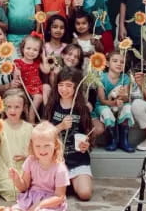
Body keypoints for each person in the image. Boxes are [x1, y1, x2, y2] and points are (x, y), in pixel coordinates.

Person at [44, 68, 93, 201]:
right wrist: (61, 126)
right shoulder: (51, 106)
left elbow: (87, 134)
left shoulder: (82, 109)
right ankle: (66, 183)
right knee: (52, 194)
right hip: (56, 161)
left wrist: (86, 144)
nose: (64, 89)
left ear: (77, 87)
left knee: (85, 194)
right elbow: (42, 135)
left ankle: (70, 182)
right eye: (61, 85)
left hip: (78, 160)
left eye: (69, 85)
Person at [7, 121, 69, 211]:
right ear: (32, 146)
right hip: (31, 198)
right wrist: (16, 179)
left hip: (50, 202)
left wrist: (40, 205)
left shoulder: (60, 169)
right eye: (38, 146)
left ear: (55, 145)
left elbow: (60, 197)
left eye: (46, 145)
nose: (42, 150)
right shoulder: (30, 161)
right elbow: (24, 187)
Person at [0, 89, 33, 201]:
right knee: (12, 189)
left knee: (30, 184)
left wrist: (26, 156)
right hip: (5, 170)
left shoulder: (29, 128)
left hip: (24, 170)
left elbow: (35, 153)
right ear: (3, 107)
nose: (12, 110)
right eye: (8, 106)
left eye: (17, 107)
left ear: (23, 108)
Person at [94, 50, 135, 152]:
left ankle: (124, 140)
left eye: (122, 62)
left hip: (119, 104)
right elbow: (102, 100)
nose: (119, 64)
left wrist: (123, 95)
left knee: (127, 107)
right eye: (115, 61)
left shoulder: (125, 78)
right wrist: (114, 103)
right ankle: (112, 139)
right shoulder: (101, 78)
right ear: (108, 63)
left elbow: (126, 98)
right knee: (106, 112)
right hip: (105, 105)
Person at [14, 34, 50, 123]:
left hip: (38, 86)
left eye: (35, 50)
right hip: (27, 86)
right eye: (28, 48)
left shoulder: (37, 62)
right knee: (38, 97)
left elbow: (46, 70)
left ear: (39, 52)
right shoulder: (18, 63)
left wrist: (44, 58)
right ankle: (31, 118)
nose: (31, 52)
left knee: (47, 87)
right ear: (22, 49)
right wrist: (16, 73)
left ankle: (47, 113)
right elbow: (16, 79)